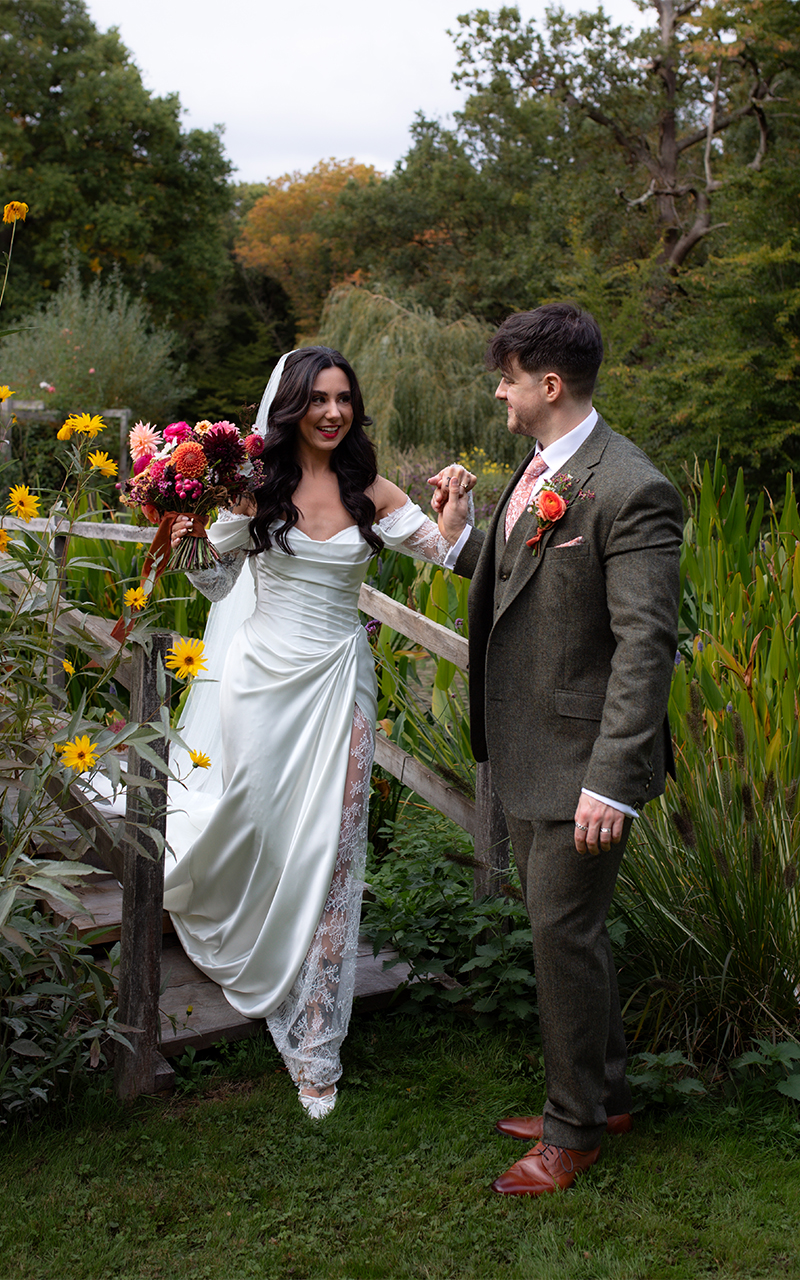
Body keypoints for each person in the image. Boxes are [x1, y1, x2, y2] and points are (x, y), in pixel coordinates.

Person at [163, 346, 475, 1119]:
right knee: (266, 831)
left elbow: (447, 554)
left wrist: (454, 512)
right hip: (260, 686)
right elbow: (213, 581)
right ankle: (256, 937)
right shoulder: (253, 487)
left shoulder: (371, 490)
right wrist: (191, 520)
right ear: (291, 407)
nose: (333, 412)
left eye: (343, 398)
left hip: (340, 683)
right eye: (318, 399)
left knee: (335, 851)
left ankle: (315, 1048)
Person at [430, 303, 683, 1195]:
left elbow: (646, 646)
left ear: (547, 383)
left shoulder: (631, 487)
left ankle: (573, 1131)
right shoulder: (538, 472)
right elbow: (522, 580)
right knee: (567, 933)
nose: (498, 393)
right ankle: (604, 1095)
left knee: (561, 932)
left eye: (506, 379)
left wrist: (611, 782)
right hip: (532, 752)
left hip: (585, 764)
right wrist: (461, 534)